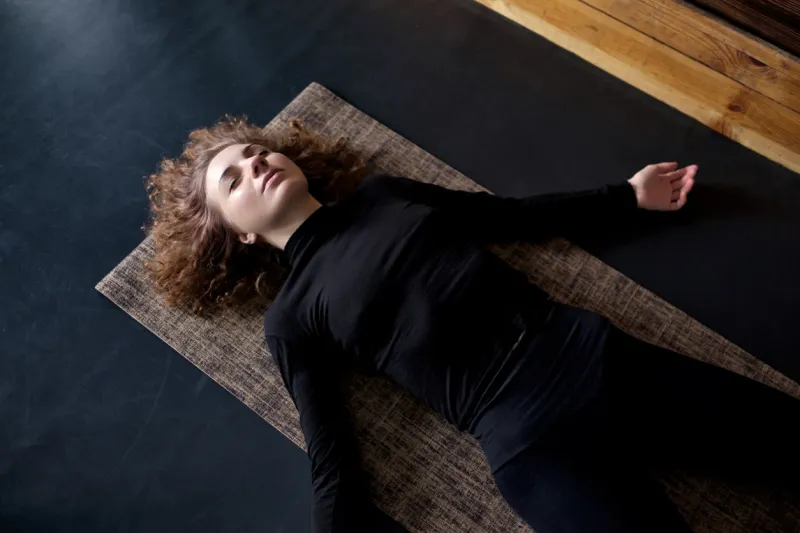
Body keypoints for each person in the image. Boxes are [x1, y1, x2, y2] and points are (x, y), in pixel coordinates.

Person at [145, 115, 799, 533]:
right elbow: (334, 458)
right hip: (532, 447)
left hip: (596, 359)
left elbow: (510, 216)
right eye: (232, 179)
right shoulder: (291, 320)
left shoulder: (383, 196)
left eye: (256, 151)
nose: (255, 164)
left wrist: (625, 196)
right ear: (232, 231)